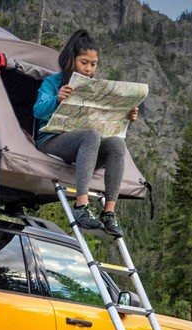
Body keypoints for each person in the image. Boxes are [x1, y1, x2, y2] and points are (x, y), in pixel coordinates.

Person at [33, 29, 139, 237]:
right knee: (90, 135)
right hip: (51, 140)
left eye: (93, 64)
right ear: (71, 60)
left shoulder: (95, 87)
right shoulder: (53, 83)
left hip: (84, 146)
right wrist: (56, 100)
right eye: (84, 62)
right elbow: (37, 111)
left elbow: (106, 123)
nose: (89, 69)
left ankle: (108, 212)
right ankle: (81, 206)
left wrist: (126, 115)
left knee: (117, 144)